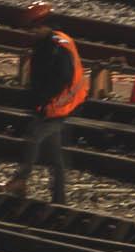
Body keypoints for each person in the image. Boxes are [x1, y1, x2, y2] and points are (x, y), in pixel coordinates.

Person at [8, 16, 87, 204]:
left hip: (61, 104)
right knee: (54, 153)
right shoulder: (46, 44)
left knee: (34, 136)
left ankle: (21, 179)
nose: (31, 32)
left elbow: (62, 77)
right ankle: (59, 197)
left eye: (34, 28)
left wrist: (45, 101)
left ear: (45, 26)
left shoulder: (58, 45)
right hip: (54, 103)